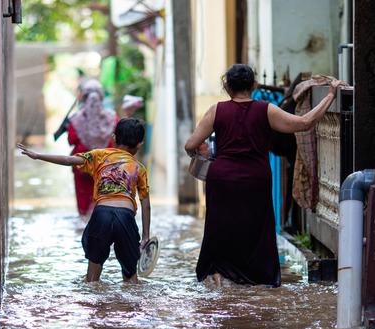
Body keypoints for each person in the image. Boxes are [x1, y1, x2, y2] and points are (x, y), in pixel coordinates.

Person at [184, 64, 344, 287]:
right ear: (254, 85)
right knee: (255, 227)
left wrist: (203, 154)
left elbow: (190, 144)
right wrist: (330, 95)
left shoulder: (216, 110)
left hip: (222, 179)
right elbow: (305, 123)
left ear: (227, 86)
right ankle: (255, 277)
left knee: (220, 226)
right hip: (254, 179)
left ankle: (220, 273)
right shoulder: (266, 110)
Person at [18, 118, 151, 283]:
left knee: (91, 279)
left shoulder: (99, 155)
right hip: (126, 217)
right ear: (139, 144)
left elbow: (69, 160)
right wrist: (145, 236)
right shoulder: (140, 168)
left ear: (114, 137)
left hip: (101, 214)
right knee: (131, 278)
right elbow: (146, 205)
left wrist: (38, 155)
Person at [68, 79, 119, 217]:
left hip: (81, 164)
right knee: (104, 195)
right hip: (105, 165)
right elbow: (118, 140)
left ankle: (84, 222)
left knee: (84, 196)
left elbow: (71, 140)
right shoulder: (112, 117)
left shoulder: (75, 119)